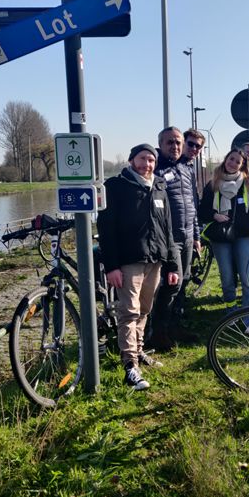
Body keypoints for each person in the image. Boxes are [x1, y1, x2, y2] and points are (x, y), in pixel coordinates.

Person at [97, 143, 180, 390]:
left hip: (155, 259)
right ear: (132, 160)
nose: (147, 164)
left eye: (152, 160)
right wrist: (111, 266)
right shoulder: (116, 187)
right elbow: (106, 229)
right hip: (128, 261)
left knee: (144, 309)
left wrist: (173, 264)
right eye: (143, 159)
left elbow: (167, 228)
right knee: (129, 312)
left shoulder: (159, 187)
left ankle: (139, 350)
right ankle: (130, 366)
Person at [149, 126, 200, 351]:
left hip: (188, 235)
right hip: (170, 239)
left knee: (184, 281)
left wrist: (196, 236)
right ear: (160, 144)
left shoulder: (187, 168)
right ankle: (158, 332)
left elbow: (192, 205)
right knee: (171, 284)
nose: (175, 146)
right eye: (170, 142)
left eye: (178, 142)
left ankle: (175, 326)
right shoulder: (155, 170)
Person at [199, 149, 249, 326]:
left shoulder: (247, 184)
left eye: (238, 162)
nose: (233, 163)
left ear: (242, 166)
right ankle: (231, 312)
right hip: (220, 236)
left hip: (242, 236)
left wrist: (245, 222)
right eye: (231, 159)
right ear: (226, 160)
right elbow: (202, 211)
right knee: (227, 278)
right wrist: (214, 215)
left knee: (247, 278)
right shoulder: (213, 183)